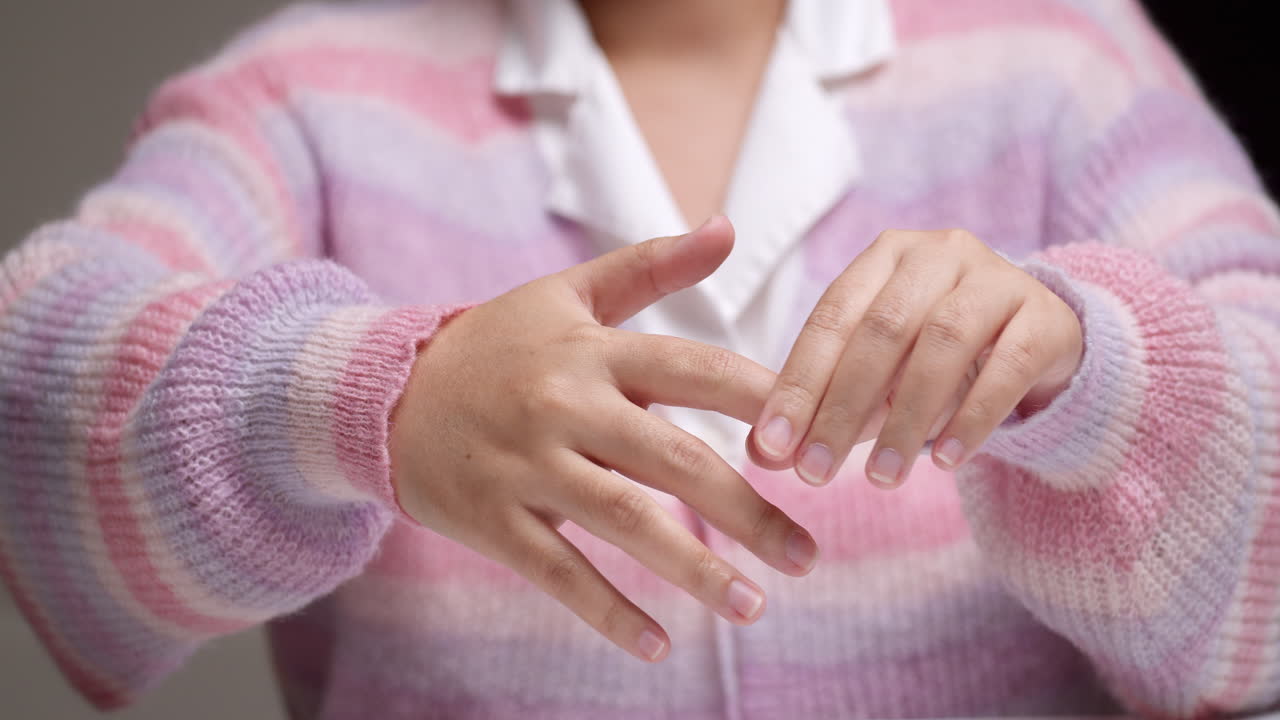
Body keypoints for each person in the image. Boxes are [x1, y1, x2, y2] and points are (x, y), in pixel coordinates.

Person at [1, 0, 1277, 717]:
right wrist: (362, 396)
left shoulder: (1062, 61)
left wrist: (1095, 376)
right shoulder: (300, 97)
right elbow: (34, 396)